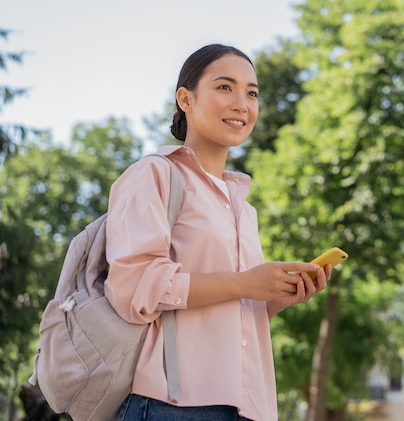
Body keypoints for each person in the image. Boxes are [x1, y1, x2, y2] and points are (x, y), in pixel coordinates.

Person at [104, 43, 331, 421]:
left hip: (249, 405)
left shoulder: (243, 206)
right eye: (225, 87)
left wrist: (273, 297)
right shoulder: (155, 174)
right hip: (173, 405)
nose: (242, 103)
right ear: (185, 99)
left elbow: (227, 311)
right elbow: (133, 286)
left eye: (252, 93)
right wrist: (245, 284)